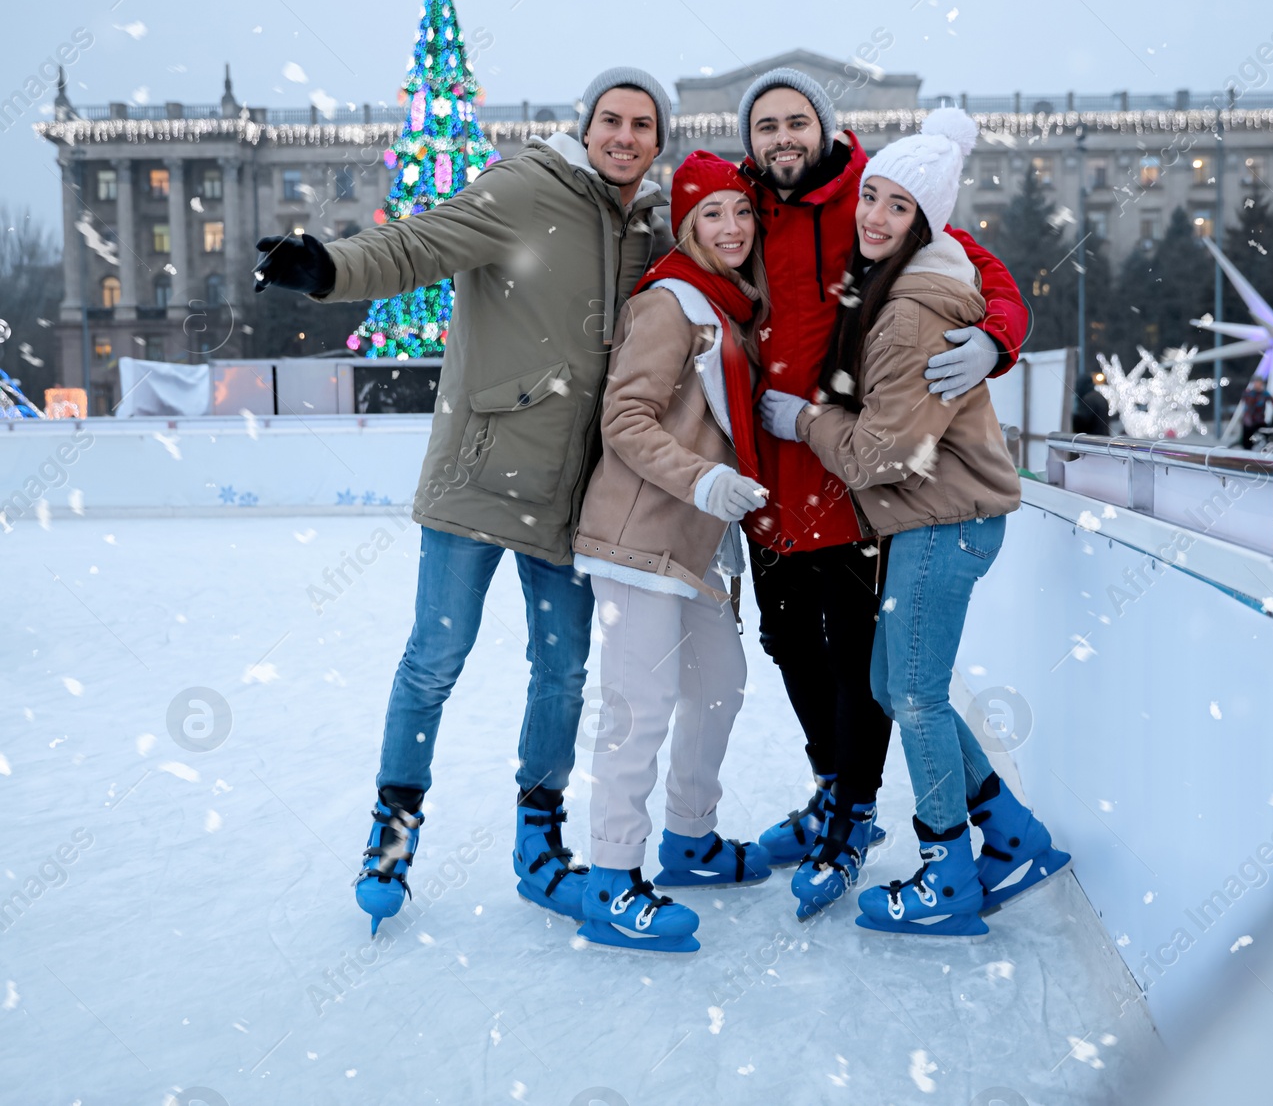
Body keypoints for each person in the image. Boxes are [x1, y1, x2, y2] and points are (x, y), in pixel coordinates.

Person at [252, 67, 672, 935]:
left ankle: (538, 840)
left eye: (642, 125)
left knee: (561, 669)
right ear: (584, 125)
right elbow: (416, 245)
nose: (624, 136)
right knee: (435, 658)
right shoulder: (523, 188)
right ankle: (393, 832)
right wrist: (327, 266)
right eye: (611, 120)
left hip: (571, 493)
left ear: (659, 140)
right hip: (479, 474)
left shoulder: (649, 229)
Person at [759, 109, 1070, 936]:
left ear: (924, 221)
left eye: (897, 206)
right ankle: (1009, 833)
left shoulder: (912, 308)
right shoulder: (905, 281)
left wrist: (801, 421)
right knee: (890, 687)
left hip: (942, 519)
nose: (873, 216)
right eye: (871, 196)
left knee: (917, 698)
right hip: (933, 520)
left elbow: (879, 456)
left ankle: (946, 875)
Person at [569, 153, 773, 953]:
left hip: (696, 542)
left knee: (720, 685)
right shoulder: (669, 302)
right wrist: (705, 479)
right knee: (637, 709)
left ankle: (690, 837)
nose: (730, 228)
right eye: (712, 215)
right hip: (640, 534)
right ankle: (612, 877)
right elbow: (625, 417)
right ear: (687, 226)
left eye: (741, 213)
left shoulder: (734, 306)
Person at [1237, 377, 1269, 449]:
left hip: (1259, 422)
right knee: (1247, 443)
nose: (1258, 385)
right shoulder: (1249, 393)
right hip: (1248, 422)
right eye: (1256, 383)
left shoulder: (1264, 394)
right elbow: (1248, 407)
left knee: (1268, 437)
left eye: (1259, 383)